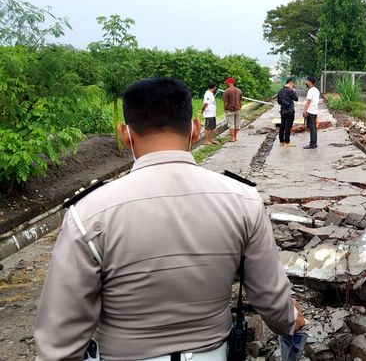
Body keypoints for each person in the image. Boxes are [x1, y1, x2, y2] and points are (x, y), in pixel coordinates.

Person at [34, 77, 304, 360]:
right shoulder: (243, 200)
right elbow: (271, 299)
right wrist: (291, 320)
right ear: (196, 130)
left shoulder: (88, 213)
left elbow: (59, 340)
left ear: (126, 134)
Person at [277, 77, 298, 147]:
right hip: (290, 111)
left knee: (282, 126)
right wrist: (293, 90)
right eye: (293, 83)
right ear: (291, 82)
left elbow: (278, 101)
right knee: (288, 127)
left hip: (283, 112)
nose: (293, 85)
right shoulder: (290, 90)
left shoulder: (280, 91)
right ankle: (287, 142)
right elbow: (296, 98)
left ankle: (281, 140)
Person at [222, 77, 243, 142]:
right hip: (238, 109)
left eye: (226, 83)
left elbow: (225, 102)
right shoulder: (239, 90)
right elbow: (241, 102)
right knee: (237, 124)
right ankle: (235, 137)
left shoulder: (227, 91)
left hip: (230, 110)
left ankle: (232, 137)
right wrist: (240, 108)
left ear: (229, 83)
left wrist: (225, 109)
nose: (226, 84)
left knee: (231, 124)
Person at [302, 75, 320, 150]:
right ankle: (314, 143)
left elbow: (308, 102)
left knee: (312, 128)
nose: (306, 82)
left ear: (310, 82)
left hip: (311, 111)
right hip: (315, 111)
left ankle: (312, 144)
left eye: (307, 81)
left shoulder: (311, 90)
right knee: (314, 128)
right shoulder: (316, 90)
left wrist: (304, 111)